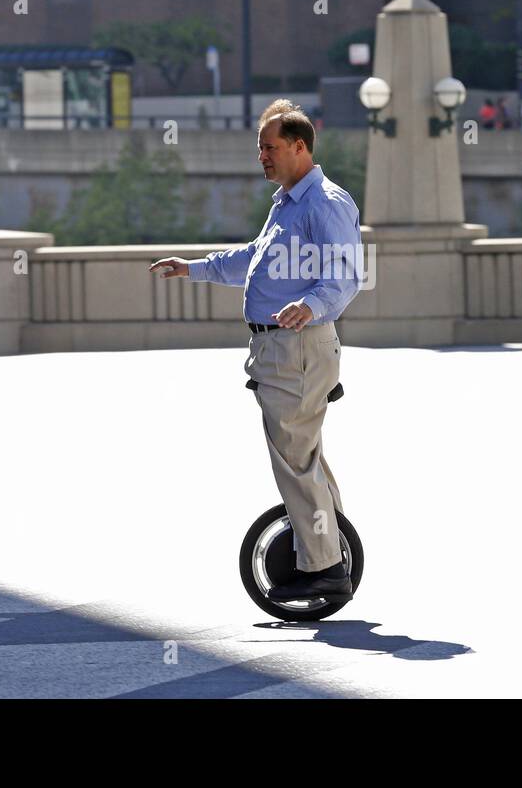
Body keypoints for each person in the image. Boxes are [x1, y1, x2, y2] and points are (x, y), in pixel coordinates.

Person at [149, 100, 363, 603]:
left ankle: (325, 568)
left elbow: (347, 275)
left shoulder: (325, 203)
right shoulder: (288, 203)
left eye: (269, 147)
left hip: (299, 347)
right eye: (259, 149)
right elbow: (253, 260)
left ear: (299, 146)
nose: (262, 156)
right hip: (282, 348)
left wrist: (310, 306)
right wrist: (195, 268)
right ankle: (329, 551)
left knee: (294, 461)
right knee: (302, 457)